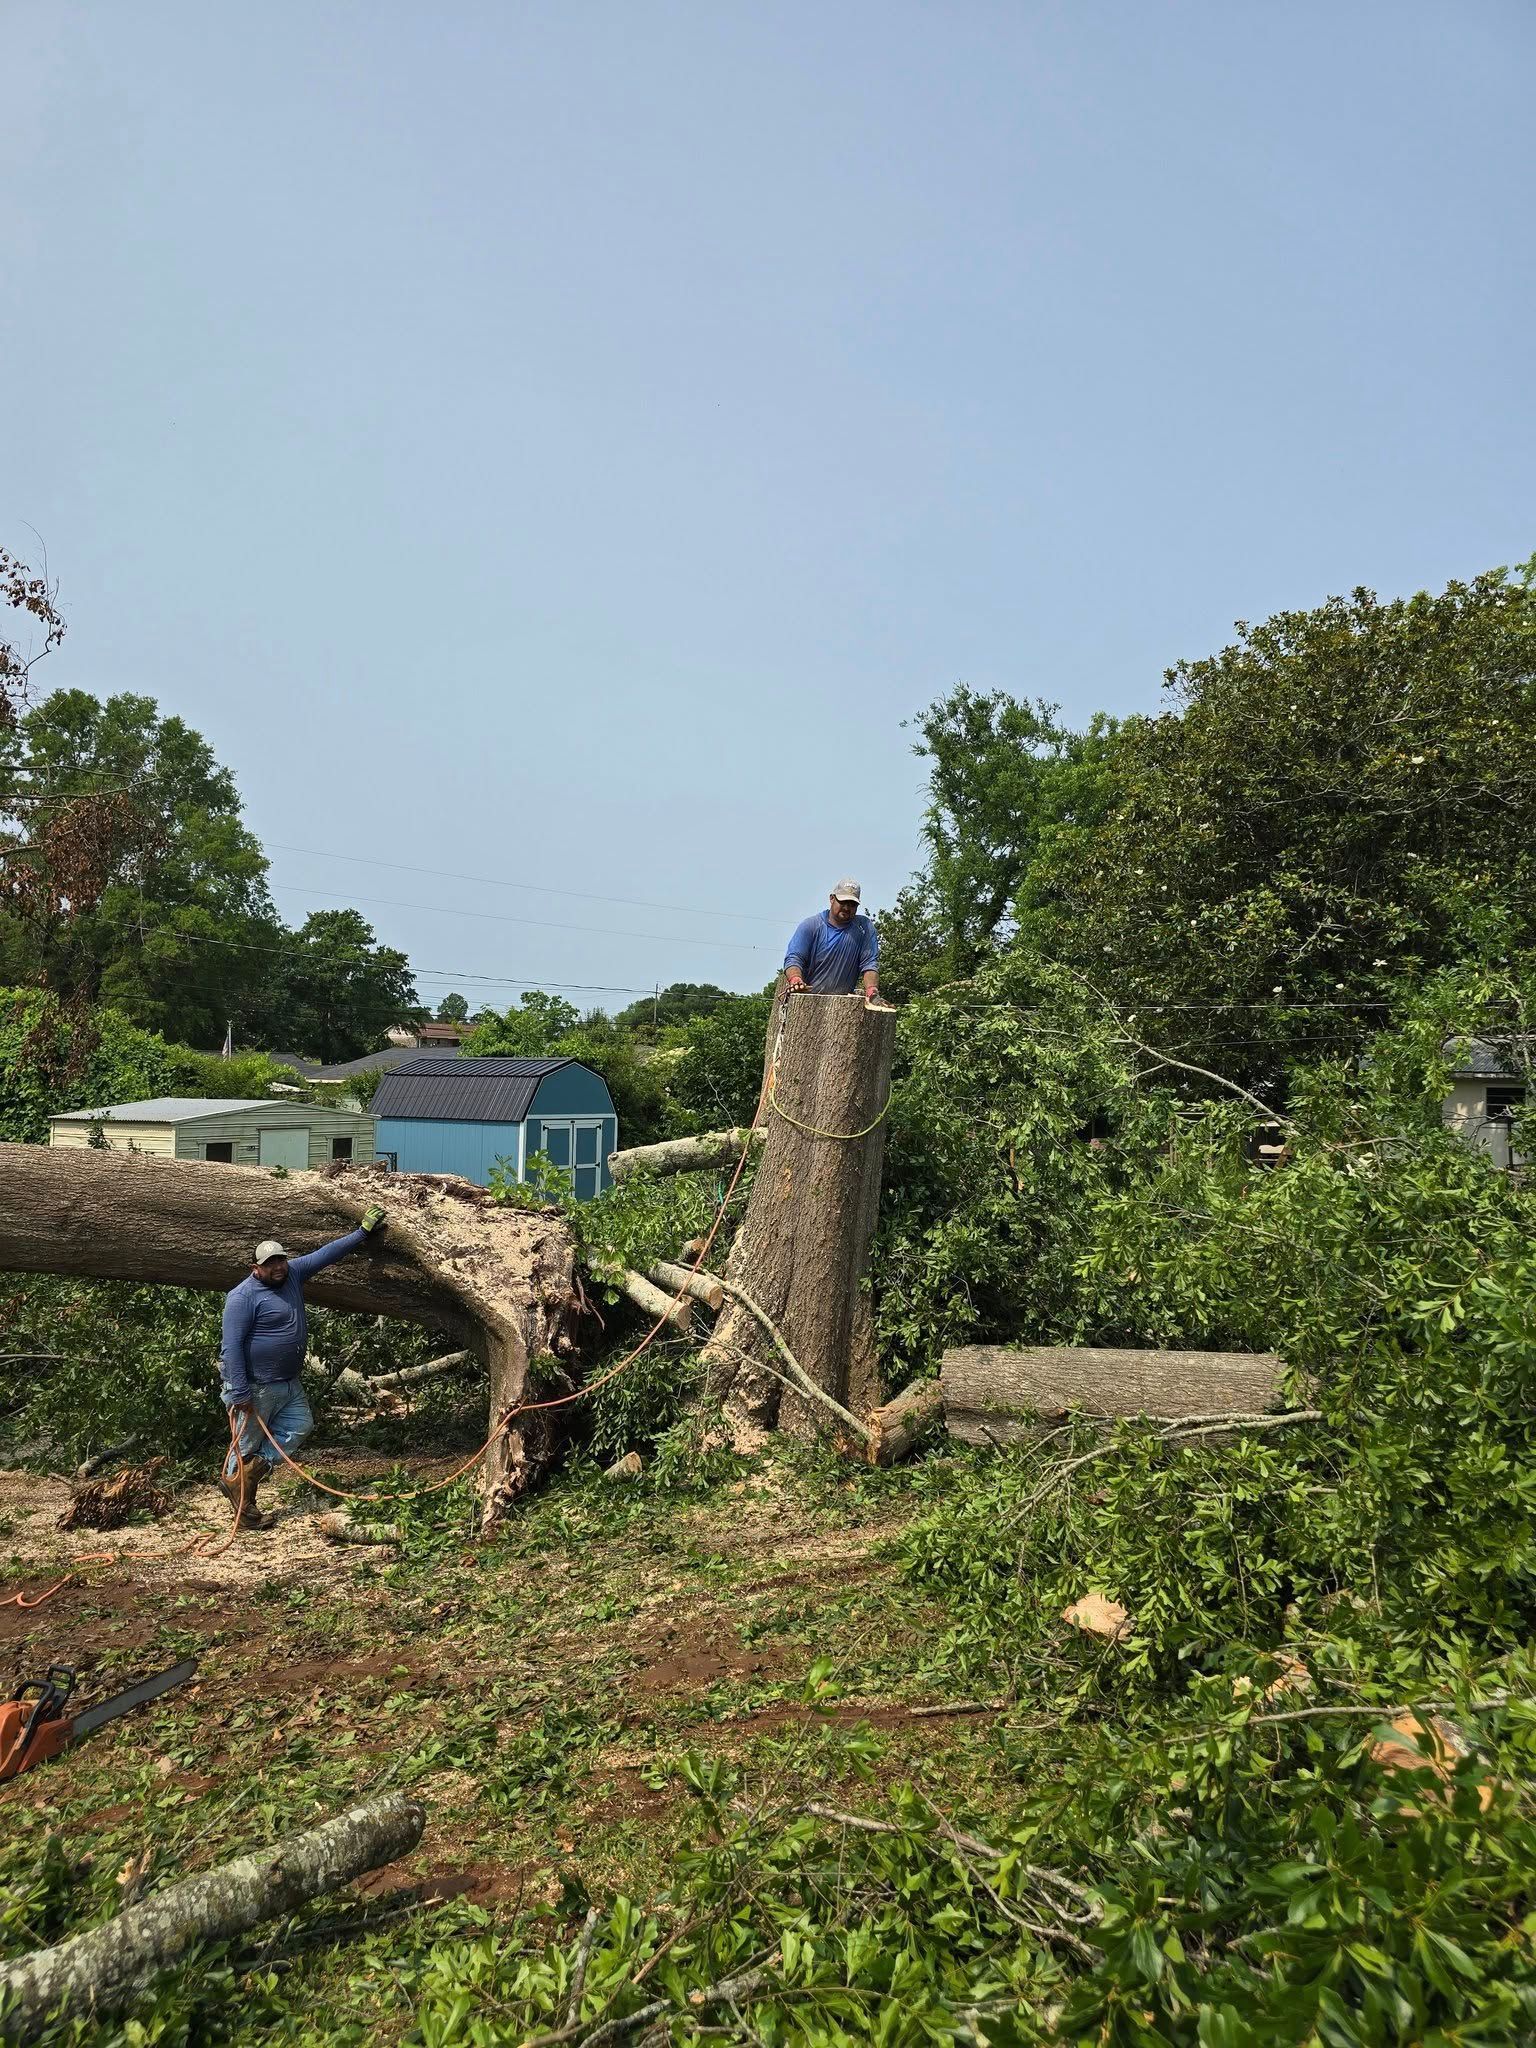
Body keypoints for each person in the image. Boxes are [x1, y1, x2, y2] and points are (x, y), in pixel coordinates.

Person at [218, 1208, 386, 1528]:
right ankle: (242, 1508)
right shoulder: (242, 1297)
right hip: (255, 1385)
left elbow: (326, 1254)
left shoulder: (292, 1273)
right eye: (270, 1264)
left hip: (288, 1382)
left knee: (300, 1424)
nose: (278, 1267)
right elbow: (232, 1347)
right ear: (256, 1268)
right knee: (244, 1444)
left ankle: (250, 1475)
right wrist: (239, 1390)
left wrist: (362, 1232)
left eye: (280, 1260)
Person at [783, 879, 881, 999]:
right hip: (808, 1000)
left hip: (842, 1004)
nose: (846, 907)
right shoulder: (811, 926)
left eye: (852, 904)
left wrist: (872, 989)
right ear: (832, 898)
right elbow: (794, 958)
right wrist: (795, 978)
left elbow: (870, 963)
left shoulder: (864, 927)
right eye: (843, 902)